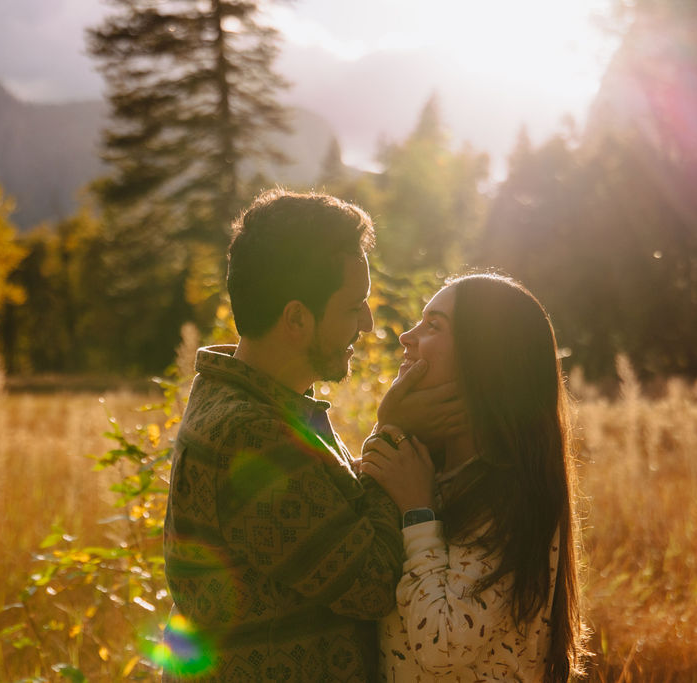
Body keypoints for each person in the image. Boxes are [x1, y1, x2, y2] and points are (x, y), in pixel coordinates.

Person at [161, 189, 461, 682]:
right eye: (353, 307)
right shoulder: (250, 435)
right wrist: (395, 431)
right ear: (296, 319)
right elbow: (371, 584)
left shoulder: (253, 401)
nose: (367, 324)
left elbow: (331, 529)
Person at [360, 272, 588, 682]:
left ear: (483, 358)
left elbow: (442, 644)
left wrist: (417, 513)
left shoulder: (510, 492)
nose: (406, 337)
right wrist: (390, 425)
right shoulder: (433, 469)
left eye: (433, 326)